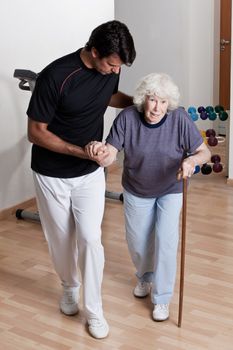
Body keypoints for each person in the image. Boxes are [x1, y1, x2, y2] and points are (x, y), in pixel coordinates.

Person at [26, 20, 136, 339]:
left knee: (90, 239)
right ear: (94, 51)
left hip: (90, 173)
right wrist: (80, 151)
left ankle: (95, 310)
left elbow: (111, 95)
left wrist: (141, 103)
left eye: (120, 67)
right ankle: (69, 286)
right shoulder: (56, 75)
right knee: (61, 242)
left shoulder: (111, 70)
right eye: (111, 65)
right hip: (52, 174)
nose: (115, 71)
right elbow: (35, 132)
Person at [87, 73, 211, 322]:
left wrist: (191, 161)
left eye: (163, 102)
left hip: (170, 188)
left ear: (170, 104)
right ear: (143, 99)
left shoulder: (179, 119)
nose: (157, 107)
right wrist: (102, 153)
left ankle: (162, 298)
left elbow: (203, 152)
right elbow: (112, 152)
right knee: (138, 243)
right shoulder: (127, 118)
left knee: (166, 242)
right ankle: (145, 277)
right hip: (137, 188)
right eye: (153, 100)